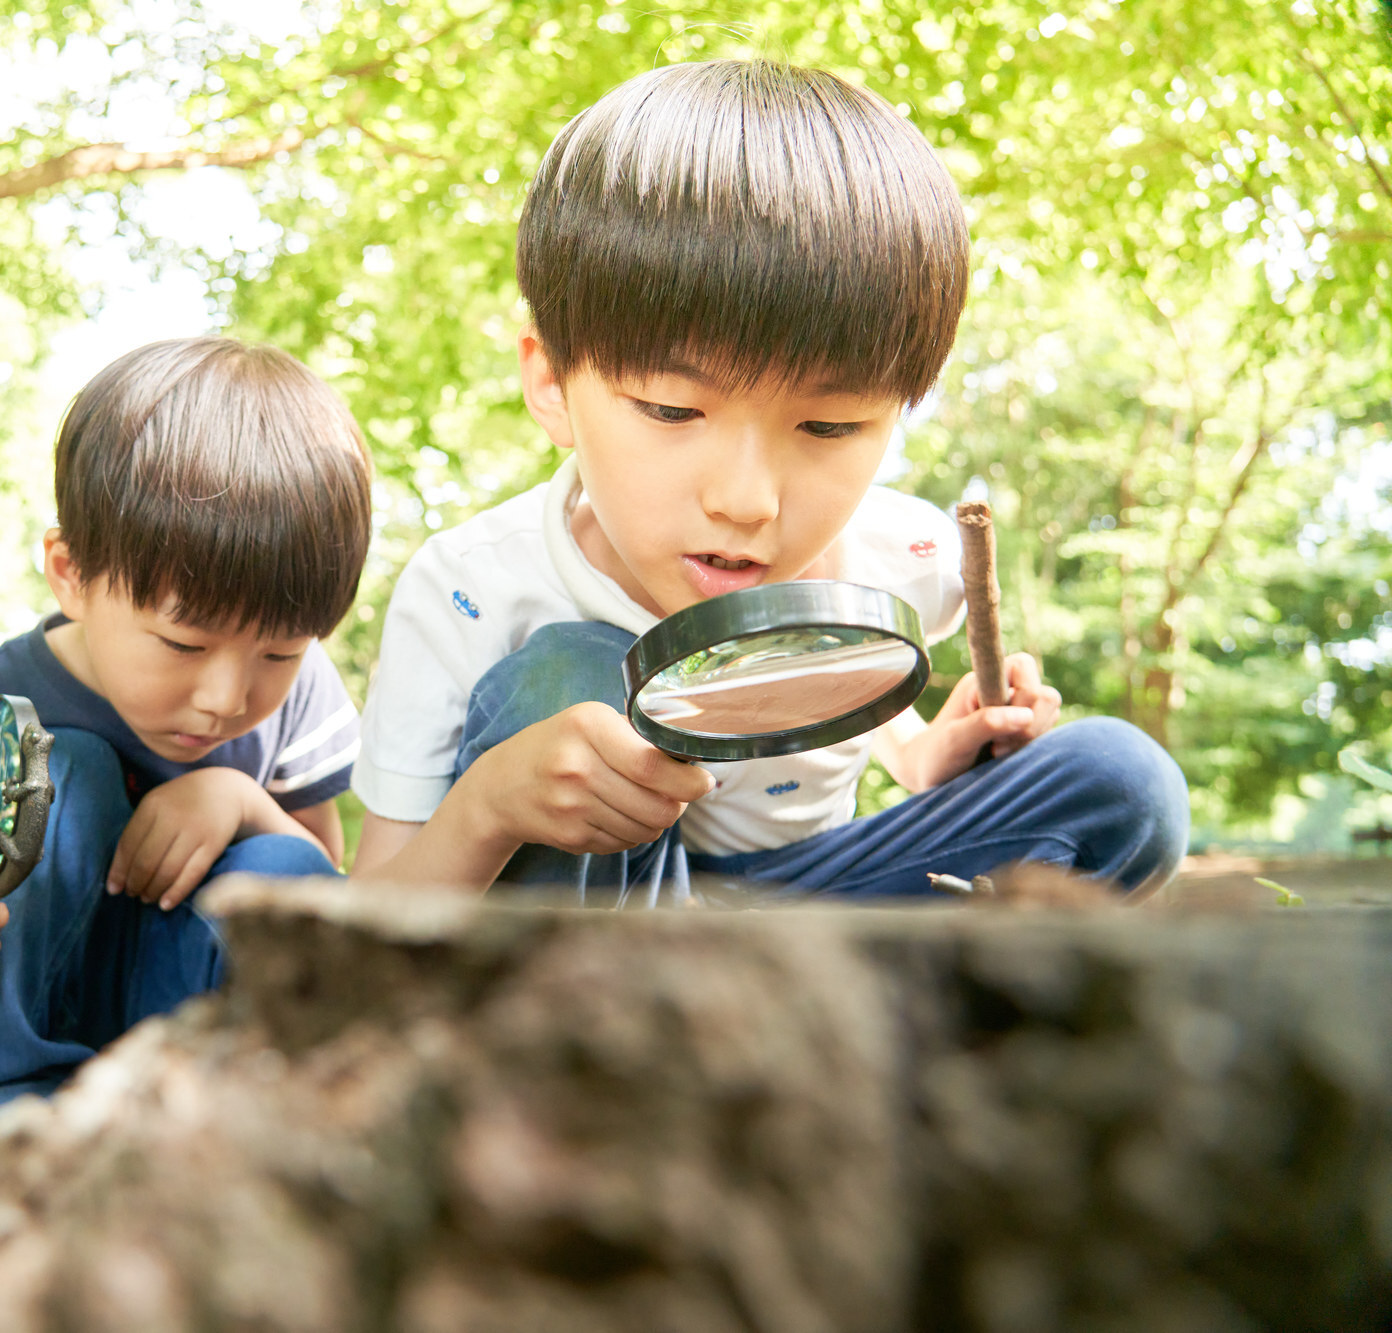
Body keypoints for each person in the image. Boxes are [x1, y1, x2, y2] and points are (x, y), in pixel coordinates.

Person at [350, 60, 1188, 897]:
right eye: (673, 411)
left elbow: (841, 691)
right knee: (570, 675)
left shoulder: (912, 559)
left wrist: (926, 755)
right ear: (551, 385)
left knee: (1122, 781)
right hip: (601, 956)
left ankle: (798, 1007)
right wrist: (488, 807)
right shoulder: (471, 592)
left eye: (829, 426)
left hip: (809, 907)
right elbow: (365, 918)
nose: (746, 501)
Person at [0, 337, 370, 1131]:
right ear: (71, 575)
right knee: (59, 771)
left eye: (280, 650)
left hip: (160, 1033)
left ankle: (202, 1122)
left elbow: (320, 877)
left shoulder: (300, 700)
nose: (226, 697)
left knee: (276, 866)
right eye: (184, 643)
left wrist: (239, 798)